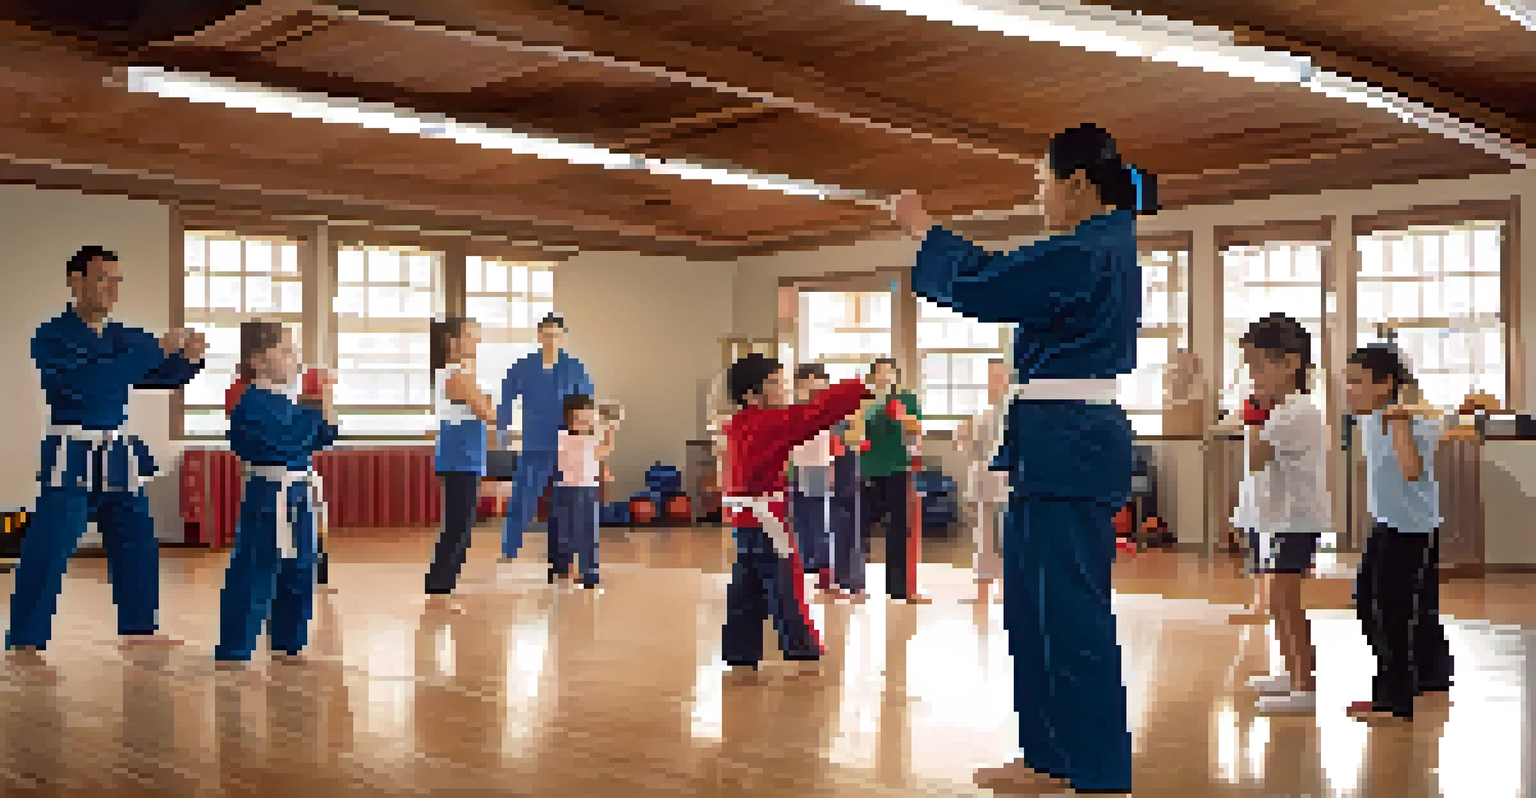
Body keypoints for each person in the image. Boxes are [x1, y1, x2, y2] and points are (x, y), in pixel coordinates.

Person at [890, 123, 1154, 795]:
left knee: (1069, 611)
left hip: (1069, 438)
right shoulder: (1101, 243)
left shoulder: (1089, 248)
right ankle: (1050, 755)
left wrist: (924, 230)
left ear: (1074, 183)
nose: (1038, 197)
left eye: (1040, 183)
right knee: (1033, 610)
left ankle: (1096, 769)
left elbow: (989, 283)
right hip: (1052, 437)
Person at [7, 246, 207, 669]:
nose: (112, 289)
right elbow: (89, 383)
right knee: (51, 545)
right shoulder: (51, 336)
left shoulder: (123, 337)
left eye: (117, 281)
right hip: (71, 450)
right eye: (103, 279)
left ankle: (139, 629)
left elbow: (157, 375)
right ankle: (25, 636)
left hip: (117, 451)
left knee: (136, 538)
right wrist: (154, 348)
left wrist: (190, 359)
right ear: (75, 281)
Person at [719, 353, 871, 674]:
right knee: (785, 582)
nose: (782, 390)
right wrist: (859, 387)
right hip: (767, 519)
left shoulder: (736, 424)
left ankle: (740, 649)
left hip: (744, 519)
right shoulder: (768, 424)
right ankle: (800, 645)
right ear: (751, 394)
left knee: (746, 584)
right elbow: (815, 414)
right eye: (774, 384)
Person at [215, 320, 339, 668]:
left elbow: (325, 437)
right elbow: (282, 443)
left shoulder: (291, 401)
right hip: (268, 492)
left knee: (301, 568)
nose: (295, 360)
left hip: (300, 492)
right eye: (286, 351)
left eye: (295, 351)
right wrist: (313, 409)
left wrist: (325, 403)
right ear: (257, 360)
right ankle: (234, 651)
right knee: (256, 568)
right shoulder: (249, 403)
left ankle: (289, 643)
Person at [1343, 343, 1454, 722]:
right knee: (1383, 602)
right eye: (1348, 381)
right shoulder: (1371, 415)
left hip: (1412, 531)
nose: (1349, 389)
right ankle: (1432, 676)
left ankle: (1395, 701)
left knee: (1391, 613)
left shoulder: (1413, 422)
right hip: (1387, 524)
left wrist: (1402, 420)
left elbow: (1410, 470)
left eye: (1357, 381)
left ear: (1384, 383)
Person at [1235, 313, 1332, 715]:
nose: (1253, 375)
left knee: (1286, 602)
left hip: (1292, 522)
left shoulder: (1297, 411)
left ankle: (1304, 687)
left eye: (1259, 366)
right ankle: (1290, 674)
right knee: (1276, 603)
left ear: (1290, 364)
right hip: (1273, 518)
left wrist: (1255, 417)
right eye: (1250, 367)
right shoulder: (1281, 409)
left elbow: (1257, 456)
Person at [498, 314, 594, 561]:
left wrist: (588, 442)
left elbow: (586, 407)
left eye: (556, 336)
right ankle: (509, 549)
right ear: (539, 337)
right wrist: (502, 430)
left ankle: (563, 553)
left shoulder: (575, 368)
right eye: (547, 335)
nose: (551, 340)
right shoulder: (522, 367)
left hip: (567, 445)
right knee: (522, 498)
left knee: (566, 502)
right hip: (534, 444)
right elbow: (506, 399)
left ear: (563, 338)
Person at [424, 316, 498, 611]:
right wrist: (487, 401)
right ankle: (440, 588)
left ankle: (441, 586)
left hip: (465, 458)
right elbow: (490, 413)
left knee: (460, 526)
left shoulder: (461, 375)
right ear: (452, 342)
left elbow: (486, 408)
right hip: (460, 459)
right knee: (458, 526)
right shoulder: (456, 376)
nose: (476, 341)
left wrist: (486, 400)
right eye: (470, 335)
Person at [858, 358, 928, 604]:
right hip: (867, 469)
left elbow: (917, 429)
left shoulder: (907, 399)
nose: (884, 377)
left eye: (888, 373)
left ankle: (898, 587)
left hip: (898, 468)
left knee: (898, 529)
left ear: (896, 377)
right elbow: (851, 430)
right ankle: (853, 584)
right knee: (859, 526)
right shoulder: (864, 401)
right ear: (873, 377)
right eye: (879, 373)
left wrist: (902, 417)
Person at [955, 358, 1012, 605]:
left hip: (1009, 485)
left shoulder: (1018, 412)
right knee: (984, 538)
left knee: (1007, 539)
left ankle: (1007, 591)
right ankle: (981, 594)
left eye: (998, 377)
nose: (993, 383)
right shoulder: (982, 415)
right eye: (990, 378)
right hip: (984, 484)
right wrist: (963, 436)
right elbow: (969, 451)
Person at [550, 394, 616, 589]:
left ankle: (587, 573)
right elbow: (604, 448)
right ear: (569, 421)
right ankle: (567, 569)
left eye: (588, 420)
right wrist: (608, 427)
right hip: (569, 490)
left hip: (587, 489)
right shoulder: (566, 439)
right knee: (570, 532)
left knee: (586, 531)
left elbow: (606, 449)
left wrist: (610, 427)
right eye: (579, 419)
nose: (585, 424)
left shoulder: (587, 439)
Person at [790, 364, 836, 594]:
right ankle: (803, 561)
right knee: (798, 516)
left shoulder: (825, 403)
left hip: (817, 465)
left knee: (817, 517)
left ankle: (820, 564)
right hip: (794, 465)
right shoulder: (791, 403)